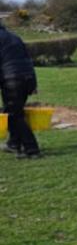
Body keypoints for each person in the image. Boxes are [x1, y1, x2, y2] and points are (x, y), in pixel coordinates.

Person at [0, 23, 41, 159]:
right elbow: (26, 59)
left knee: (14, 115)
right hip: (27, 77)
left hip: (12, 79)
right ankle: (13, 143)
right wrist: (33, 83)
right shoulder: (14, 37)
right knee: (15, 111)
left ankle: (32, 149)